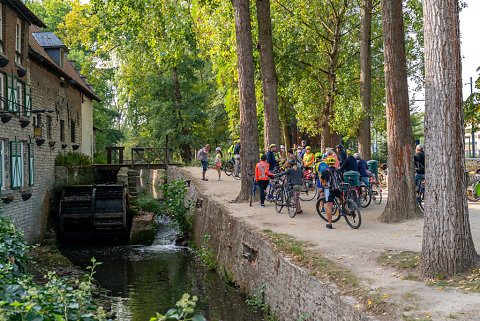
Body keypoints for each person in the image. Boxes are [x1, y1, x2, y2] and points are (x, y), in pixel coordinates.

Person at [321, 156, 343, 229]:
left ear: (327, 163)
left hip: (330, 190)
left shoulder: (325, 171)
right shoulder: (338, 170)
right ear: (334, 163)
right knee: (342, 201)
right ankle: (345, 210)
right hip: (338, 188)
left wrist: (323, 185)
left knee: (329, 206)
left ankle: (330, 224)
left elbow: (322, 181)